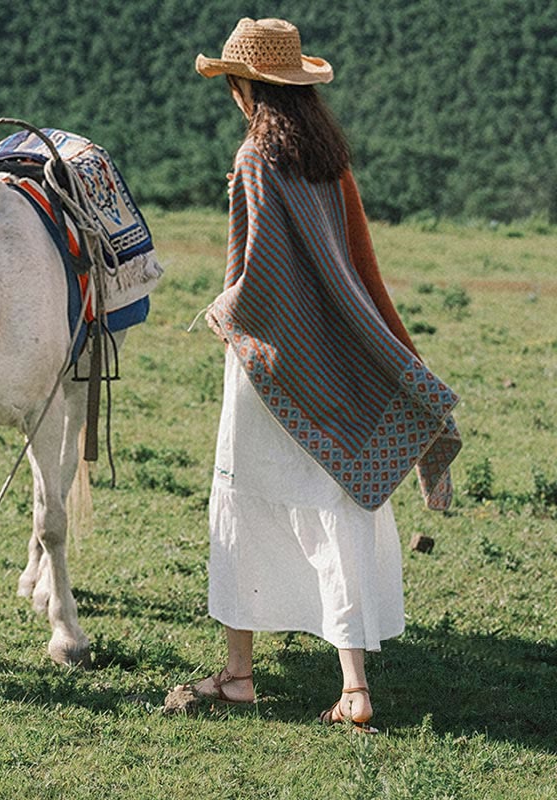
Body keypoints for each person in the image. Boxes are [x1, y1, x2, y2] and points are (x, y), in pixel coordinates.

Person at [184, 17, 461, 732]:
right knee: (334, 502)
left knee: (244, 498)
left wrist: (221, 311)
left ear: (248, 88)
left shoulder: (254, 157)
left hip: (268, 367)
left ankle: (239, 675)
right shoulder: (329, 157)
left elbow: (255, 281)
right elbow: (355, 269)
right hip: (333, 356)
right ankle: (354, 688)